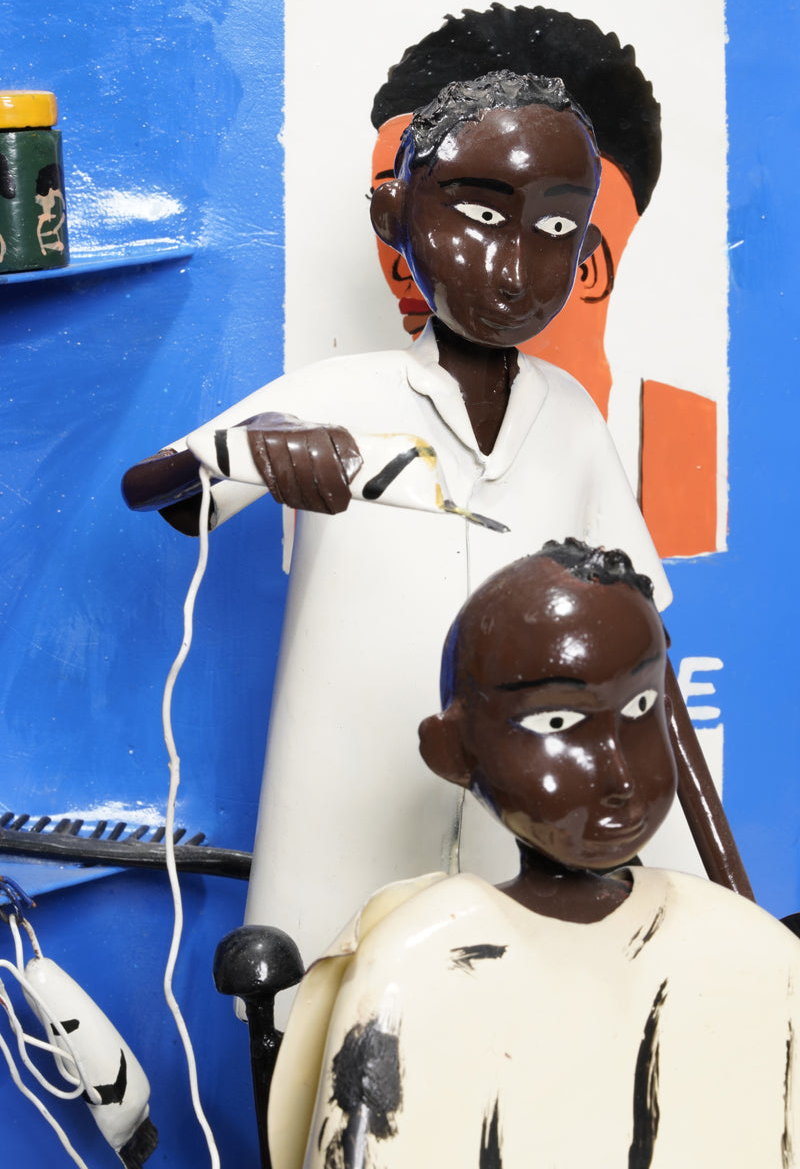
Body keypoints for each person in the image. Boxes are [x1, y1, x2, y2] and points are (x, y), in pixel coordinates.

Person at [123, 71, 745, 973]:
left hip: (527, 821)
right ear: (395, 219)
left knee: (514, 1042)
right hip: (351, 806)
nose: (518, 265)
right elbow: (161, 492)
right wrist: (255, 448)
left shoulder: (570, 417)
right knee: (324, 1033)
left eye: (559, 229)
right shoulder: (335, 398)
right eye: (483, 216)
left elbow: (646, 644)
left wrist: (723, 881)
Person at [268, 540, 798, 1169]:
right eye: (556, 724)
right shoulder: (424, 965)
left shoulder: (748, 949)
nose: (618, 773)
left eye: (640, 707)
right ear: (453, 752)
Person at [369, 4, 718, 557]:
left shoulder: (686, 444)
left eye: (480, 214)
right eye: (399, 211)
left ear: (588, 262)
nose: (401, 258)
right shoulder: (359, 402)